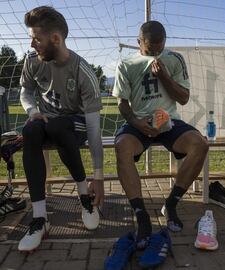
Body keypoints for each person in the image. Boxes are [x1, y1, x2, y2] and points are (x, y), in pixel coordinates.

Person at [113, 21, 208, 247]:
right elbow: (122, 103)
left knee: (200, 144)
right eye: (150, 49)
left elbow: (183, 98)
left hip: (169, 121)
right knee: (121, 146)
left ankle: (172, 203)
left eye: (160, 48)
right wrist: (136, 122)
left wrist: (164, 76)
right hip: (140, 122)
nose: (156, 53)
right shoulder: (126, 64)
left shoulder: (174, 59)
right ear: (139, 43)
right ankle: (142, 215)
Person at [18, 6, 104, 252]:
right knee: (31, 130)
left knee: (58, 125)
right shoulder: (33, 61)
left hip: (73, 123)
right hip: (47, 119)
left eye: (37, 38)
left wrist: (98, 177)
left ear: (55, 38)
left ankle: (84, 198)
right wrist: (32, 111)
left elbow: (94, 128)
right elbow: (25, 91)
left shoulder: (82, 71)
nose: (33, 43)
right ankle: (40, 218)